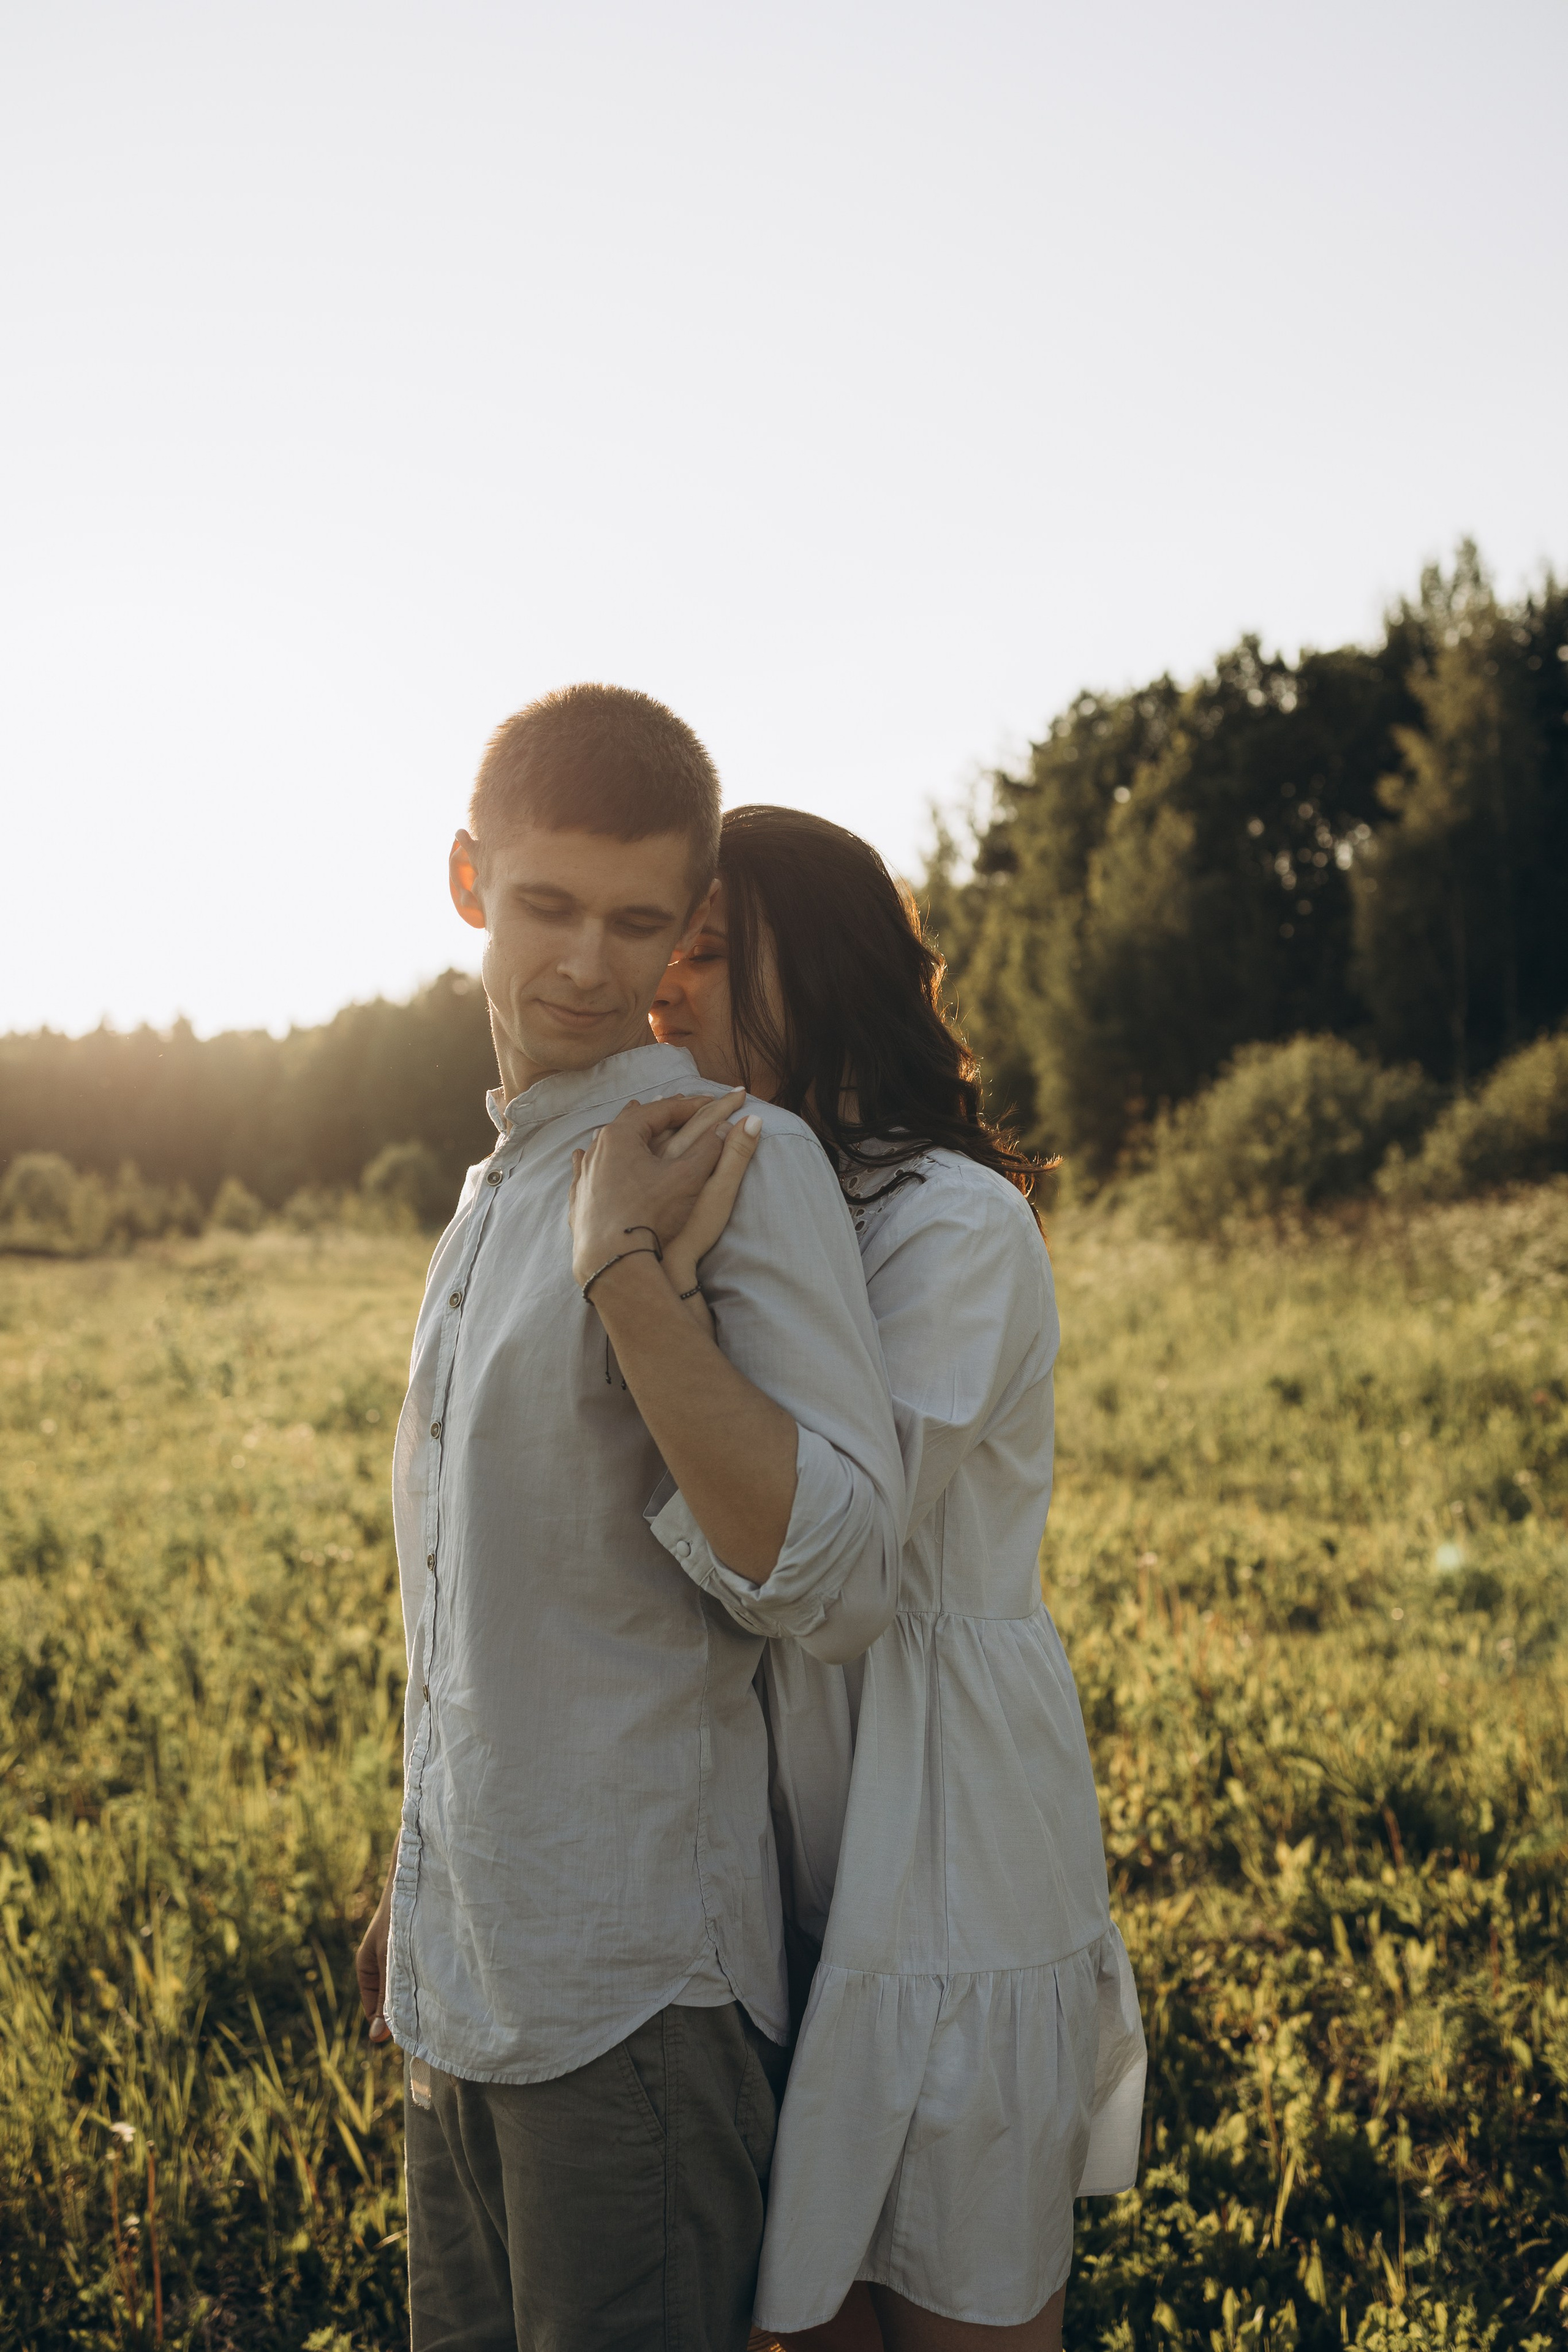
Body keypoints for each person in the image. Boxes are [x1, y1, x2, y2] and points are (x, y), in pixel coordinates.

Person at [353, 693, 906, 2352]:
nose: (591, 966)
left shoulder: (733, 1158)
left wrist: (632, 1278)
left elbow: (847, 1571)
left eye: (639, 921)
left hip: (633, 1993)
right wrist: (417, 1870)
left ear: (683, 929)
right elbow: (476, 1605)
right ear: (469, 880)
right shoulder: (488, 1193)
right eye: (547, 907)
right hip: (460, 1980)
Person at [573, 804, 1146, 2352]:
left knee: (954, 2297)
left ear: (811, 966)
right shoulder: (768, 1196)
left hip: (942, 1827)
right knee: (798, 2309)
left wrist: (645, 1288)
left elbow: (832, 1550)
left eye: (700, 952)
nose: (660, 993)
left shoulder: (953, 1223)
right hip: (785, 1845)